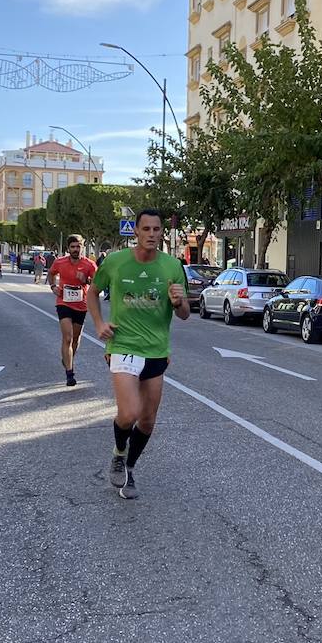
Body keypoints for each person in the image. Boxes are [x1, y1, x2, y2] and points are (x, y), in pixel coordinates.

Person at [88, 210, 190, 500]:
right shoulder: (115, 261)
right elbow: (92, 292)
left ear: (162, 232)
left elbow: (184, 314)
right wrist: (99, 323)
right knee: (129, 413)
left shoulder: (172, 266)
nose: (152, 234)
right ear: (135, 231)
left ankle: (129, 467)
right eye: (146, 228)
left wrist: (179, 302)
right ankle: (119, 451)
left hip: (156, 350)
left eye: (156, 229)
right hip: (123, 345)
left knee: (146, 421)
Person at [48, 235, 98, 386]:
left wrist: (86, 280)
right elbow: (51, 273)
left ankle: (68, 358)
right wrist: (53, 286)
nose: (76, 249)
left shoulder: (89, 264)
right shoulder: (60, 262)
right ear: (68, 248)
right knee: (68, 338)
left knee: (75, 339)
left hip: (81, 305)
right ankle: (70, 373)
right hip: (63, 303)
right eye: (73, 247)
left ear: (82, 247)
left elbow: (98, 284)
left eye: (78, 247)